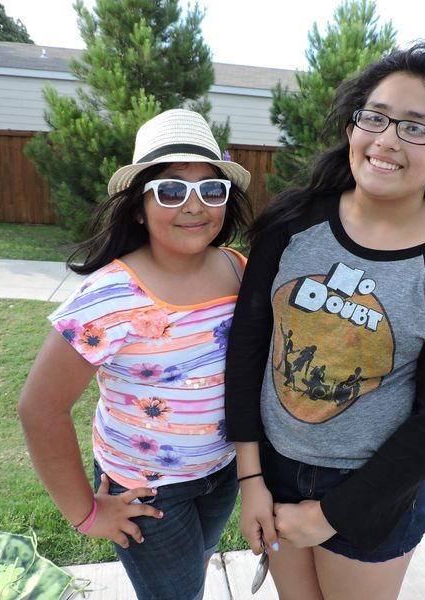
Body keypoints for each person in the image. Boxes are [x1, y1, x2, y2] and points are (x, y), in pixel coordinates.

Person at [225, 42, 425, 600]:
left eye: (415, 128)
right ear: (352, 129)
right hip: (272, 472)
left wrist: (331, 515)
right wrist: (250, 477)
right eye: (375, 117)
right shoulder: (291, 223)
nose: (387, 139)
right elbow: (247, 348)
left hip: (375, 493)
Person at [18, 108, 252, 600]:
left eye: (212, 189)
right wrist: (86, 513)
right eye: (171, 190)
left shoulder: (238, 270)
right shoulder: (108, 297)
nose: (194, 206)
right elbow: (40, 408)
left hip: (223, 471)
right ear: (140, 207)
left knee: (197, 565)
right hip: (145, 489)